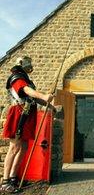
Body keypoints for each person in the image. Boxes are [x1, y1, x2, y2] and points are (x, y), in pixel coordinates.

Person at [0, 56, 54, 193]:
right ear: (22, 65)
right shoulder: (16, 77)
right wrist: (43, 96)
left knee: (23, 147)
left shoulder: (26, 79)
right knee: (14, 147)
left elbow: (32, 98)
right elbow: (25, 91)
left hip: (27, 114)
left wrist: (48, 104)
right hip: (18, 113)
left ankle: (13, 178)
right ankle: (5, 182)